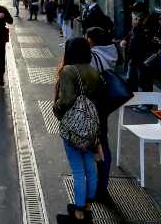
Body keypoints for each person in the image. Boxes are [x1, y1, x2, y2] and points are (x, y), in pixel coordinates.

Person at [53, 37, 102, 222]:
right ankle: (88, 206)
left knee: (78, 171)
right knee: (90, 168)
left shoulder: (68, 71)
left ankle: (79, 211)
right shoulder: (94, 71)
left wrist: (56, 109)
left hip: (74, 127)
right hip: (91, 126)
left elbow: (66, 100)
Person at [86, 26, 119, 201]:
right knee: (103, 143)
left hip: (94, 104)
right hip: (105, 103)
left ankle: (94, 189)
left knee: (92, 147)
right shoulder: (111, 52)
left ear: (92, 40)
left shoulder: (94, 56)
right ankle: (102, 186)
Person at [121, 3, 158, 94]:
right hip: (133, 56)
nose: (133, 14)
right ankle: (134, 100)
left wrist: (138, 25)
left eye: (135, 11)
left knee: (145, 81)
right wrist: (125, 40)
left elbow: (149, 40)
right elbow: (131, 33)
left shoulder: (151, 22)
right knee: (131, 79)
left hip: (144, 57)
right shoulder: (136, 21)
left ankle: (146, 104)